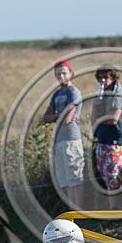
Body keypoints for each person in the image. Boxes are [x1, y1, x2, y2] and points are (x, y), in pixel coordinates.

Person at [43, 60, 85, 208]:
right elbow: (46, 117)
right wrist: (59, 115)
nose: (61, 76)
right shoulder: (56, 95)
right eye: (58, 74)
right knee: (64, 179)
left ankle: (78, 211)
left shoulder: (74, 92)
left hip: (71, 139)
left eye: (64, 73)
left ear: (70, 73)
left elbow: (68, 119)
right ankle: (70, 210)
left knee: (75, 177)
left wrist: (57, 116)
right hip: (59, 139)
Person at [91, 65, 122, 201]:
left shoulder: (117, 94)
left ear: (113, 78)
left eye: (106, 77)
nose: (103, 80)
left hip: (116, 141)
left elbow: (113, 119)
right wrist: (96, 107)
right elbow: (93, 121)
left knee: (115, 175)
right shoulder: (101, 96)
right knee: (106, 176)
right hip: (102, 139)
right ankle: (112, 208)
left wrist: (100, 118)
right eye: (100, 77)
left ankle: (119, 208)